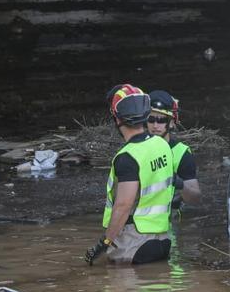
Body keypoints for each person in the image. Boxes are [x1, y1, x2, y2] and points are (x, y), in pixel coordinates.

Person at [84, 84, 175, 265]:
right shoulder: (161, 144)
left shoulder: (127, 157)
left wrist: (104, 243)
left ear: (117, 119)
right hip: (163, 240)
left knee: (119, 291)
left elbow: (123, 207)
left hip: (134, 245)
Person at [147, 90, 201, 209]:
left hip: (170, 222)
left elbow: (195, 198)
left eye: (161, 120)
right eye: (151, 120)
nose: (155, 125)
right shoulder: (136, 150)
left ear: (171, 123)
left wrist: (178, 183)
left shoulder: (181, 154)